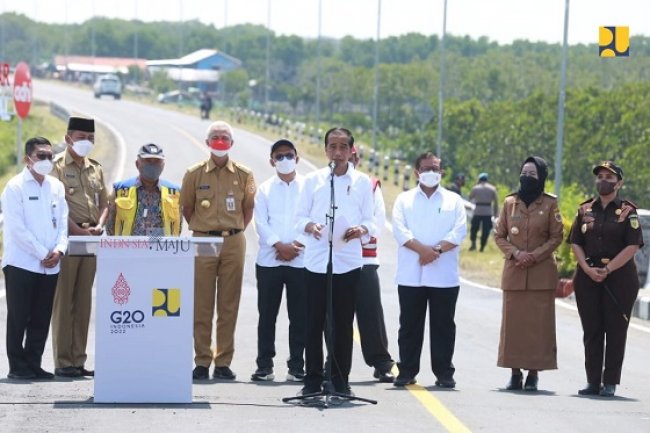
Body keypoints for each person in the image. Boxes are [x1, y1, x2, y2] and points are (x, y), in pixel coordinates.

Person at [294, 127, 375, 396]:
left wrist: (362, 230)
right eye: (332, 146)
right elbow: (299, 217)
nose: (338, 152)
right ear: (326, 149)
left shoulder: (362, 182)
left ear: (352, 150)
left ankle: (341, 381)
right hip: (317, 261)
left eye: (343, 147)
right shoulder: (313, 180)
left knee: (342, 324)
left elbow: (372, 220)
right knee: (313, 323)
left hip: (348, 261)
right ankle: (312, 381)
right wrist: (311, 227)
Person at [180, 120, 256, 381]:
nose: (220, 141)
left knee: (228, 304)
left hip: (233, 241)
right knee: (201, 303)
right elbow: (187, 208)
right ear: (207, 143)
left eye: (224, 137)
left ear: (232, 143)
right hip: (203, 241)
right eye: (215, 137)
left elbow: (248, 208)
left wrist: (234, 230)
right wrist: (204, 229)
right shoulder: (194, 173)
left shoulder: (244, 174)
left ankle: (223, 361)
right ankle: (201, 361)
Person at [392, 152, 467, 388]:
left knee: (443, 327)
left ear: (442, 172)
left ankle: (444, 373)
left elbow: (459, 232)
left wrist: (434, 251)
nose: (431, 173)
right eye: (426, 168)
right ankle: (406, 371)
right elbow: (400, 231)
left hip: (443, 275)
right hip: (411, 274)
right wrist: (422, 251)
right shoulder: (404, 200)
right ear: (416, 172)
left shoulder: (453, 201)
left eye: (435, 168)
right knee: (409, 326)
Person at [568, 161, 643, 398]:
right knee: (592, 330)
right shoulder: (585, 210)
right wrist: (587, 269)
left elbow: (633, 246)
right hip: (588, 276)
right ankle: (592, 381)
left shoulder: (628, 212)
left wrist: (608, 269)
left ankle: (610, 381)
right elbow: (575, 243)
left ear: (619, 183)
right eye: (600, 176)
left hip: (619, 279)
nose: (603, 181)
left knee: (615, 330)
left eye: (609, 177)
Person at [493, 156, 563, 392]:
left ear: (541, 177)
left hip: (540, 274)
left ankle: (533, 374)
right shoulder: (509, 203)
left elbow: (557, 236)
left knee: (538, 327)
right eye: (524, 173)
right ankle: (514, 374)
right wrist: (515, 253)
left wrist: (534, 255)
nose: (527, 178)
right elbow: (499, 235)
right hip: (514, 273)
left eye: (532, 174)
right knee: (513, 327)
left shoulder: (550, 204)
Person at [1, 137, 69, 380]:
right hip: (22, 263)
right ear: (27, 159)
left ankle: (34, 363)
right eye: (41, 155)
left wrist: (59, 250)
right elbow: (17, 229)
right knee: (19, 316)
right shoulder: (15, 187)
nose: (46, 160)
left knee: (41, 317)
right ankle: (17, 366)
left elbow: (62, 223)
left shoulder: (56, 186)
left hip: (51, 265)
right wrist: (43, 253)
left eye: (50, 156)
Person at [51, 116, 109, 378]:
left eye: (90, 138)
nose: (86, 142)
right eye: (80, 138)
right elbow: (57, 208)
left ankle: (78, 358)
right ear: (68, 138)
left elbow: (106, 202)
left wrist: (100, 226)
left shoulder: (95, 168)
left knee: (84, 300)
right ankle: (63, 361)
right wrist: (80, 231)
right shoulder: (57, 167)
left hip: (92, 239)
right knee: (64, 301)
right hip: (68, 239)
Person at [251, 138, 307, 382]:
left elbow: (314, 219)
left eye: (289, 155)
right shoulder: (264, 189)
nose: (285, 160)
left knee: (300, 316)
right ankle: (264, 365)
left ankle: (296, 366)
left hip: (301, 260)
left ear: (298, 157)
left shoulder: (309, 187)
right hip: (269, 260)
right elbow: (260, 222)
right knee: (267, 316)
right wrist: (278, 245)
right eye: (280, 156)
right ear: (272, 161)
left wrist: (295, 245)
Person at [349, 146, 395, 383]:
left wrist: (357, 233)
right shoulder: (322, 184)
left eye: (350, 154)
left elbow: (376, 223)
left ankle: (380, 361)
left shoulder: (370, 185)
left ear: (356, 157)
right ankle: (333, 361)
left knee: (370, 313)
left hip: (364, 259)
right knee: (333, 315)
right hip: (334, 260)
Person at [106, 143, 182, 237]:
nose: (152, 165)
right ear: (137, 164)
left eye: (157, 161)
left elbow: (178, 227)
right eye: (148, 161)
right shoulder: (120, 190)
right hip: (128, 249)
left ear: (163, 165)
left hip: (161, 249)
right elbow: (110, 227)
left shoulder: (174, 192)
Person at [468, 172, 498, 252]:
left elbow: (470, 198)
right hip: (487, 212)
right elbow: (496, 203)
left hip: (477, 211)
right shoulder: (492, 189)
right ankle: (482, 247)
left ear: (479, 179)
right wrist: (495, 214)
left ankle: (473, 244)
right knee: (486, 230)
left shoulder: (475, 188)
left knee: (474, 229)